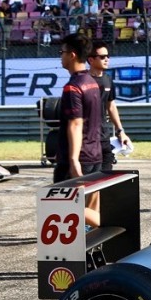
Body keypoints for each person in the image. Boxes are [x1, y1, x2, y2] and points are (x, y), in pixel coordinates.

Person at [55, 33, 103, 226]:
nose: (61, 56)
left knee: (59, 204)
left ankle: (117, 226)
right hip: (95, 152)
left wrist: (73, 159)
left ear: (72, 55)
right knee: (92, 202)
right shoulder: (92, 82)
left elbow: (76, 123)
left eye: (62, 52)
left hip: (77, 156)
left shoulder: (73, 87)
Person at [87, 40, 132, 171]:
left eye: (107, 56)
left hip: (103, 136)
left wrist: (120, 132)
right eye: (102, 57)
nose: (106, 59)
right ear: (91, 60)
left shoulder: (107, 80)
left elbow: (111, 106)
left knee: (105, 178)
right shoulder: (83, 80)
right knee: (87, 180)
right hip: (87, 140)